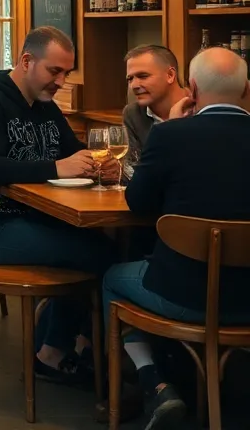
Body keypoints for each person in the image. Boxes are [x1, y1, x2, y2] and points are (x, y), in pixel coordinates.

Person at [0, 26, 117, 384]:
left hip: (36, 220)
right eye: (54, 71)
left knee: (104, 244)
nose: (61, 81)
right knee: (97, 252)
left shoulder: (45, 106)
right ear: (27, 61)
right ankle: (64, 353)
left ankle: (69, 347)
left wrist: (96, 162)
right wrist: (57, 167)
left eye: (66, 73)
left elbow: (71, 149)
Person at [103, 47, 250, 429]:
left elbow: (137, 202)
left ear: (193, 88)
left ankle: (155, 383)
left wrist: (167, 128)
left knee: (111, 276)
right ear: (247, 89)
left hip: (185, 296)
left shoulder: (171, 136)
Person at [121, 44, 188, 177]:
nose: (134, 85)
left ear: (170, 75)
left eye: (143, 76)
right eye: (130, 79)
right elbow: (133, 169)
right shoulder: (133, 113)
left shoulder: (200, 108)